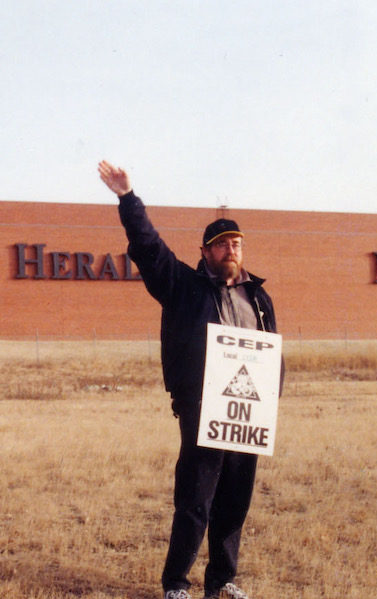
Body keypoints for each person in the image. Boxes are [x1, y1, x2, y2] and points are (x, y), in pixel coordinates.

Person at [98, 161, 280, 599]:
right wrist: (128, 198)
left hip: (248, 413)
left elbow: (272, 354)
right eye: (220, 245)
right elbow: (148, 247)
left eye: (236, 243)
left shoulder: (259, 297)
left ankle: (222, 581)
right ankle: (176, 583)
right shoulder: (184, 287)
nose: (230, 249)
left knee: (235, 501)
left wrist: (270, 403)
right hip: (203, 410)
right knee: (195, 501)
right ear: (205, 252)